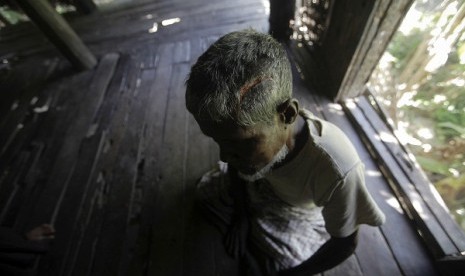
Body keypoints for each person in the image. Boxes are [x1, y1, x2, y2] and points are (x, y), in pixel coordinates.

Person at [185, 29, 385, 275]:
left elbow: (344, 244)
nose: (225, 156)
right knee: (204, 193)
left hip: (295, 210)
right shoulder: (247, 150)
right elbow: (235, 167)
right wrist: (242, 216)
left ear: (288, 114)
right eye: (218, 141)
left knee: (281, 263)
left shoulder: (336, 169)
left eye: (240, 143)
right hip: (261, 187)